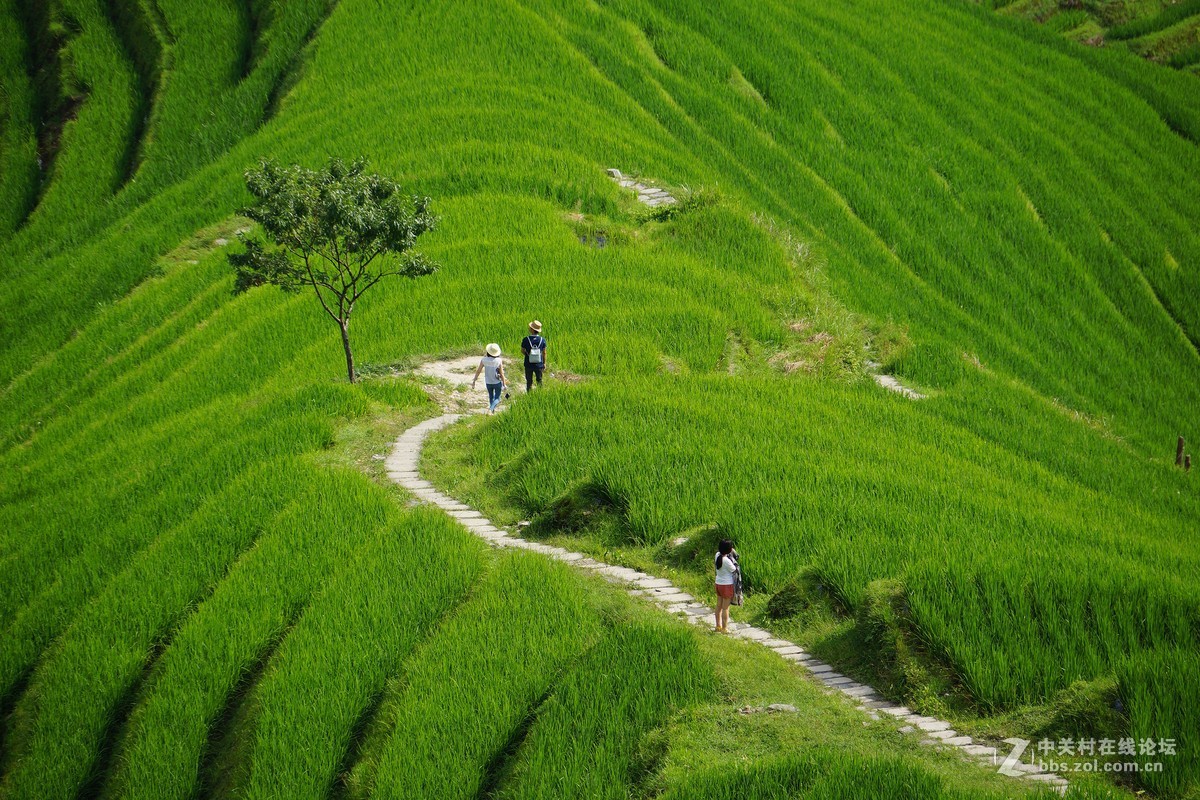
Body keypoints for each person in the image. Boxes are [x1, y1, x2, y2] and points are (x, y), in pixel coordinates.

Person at [471, 343, 508, 414]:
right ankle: (491, 409)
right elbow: (502, 373)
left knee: (491, 396)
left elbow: (478, 371)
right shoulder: (498, 360)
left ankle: (492, 412)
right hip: (497, 382)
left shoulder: (484, 360)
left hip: (488, 382)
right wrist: (504, 384)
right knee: (497, 398)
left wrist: (474, 380)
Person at [714, 538, 739, 633]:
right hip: (727, 585)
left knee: (718, 606)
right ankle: (724, 628)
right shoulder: (727, 561)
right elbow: (734, 570)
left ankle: (718, 626)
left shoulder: (717, 555)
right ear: (729, 550)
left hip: (718, 583)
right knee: (725, 608)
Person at [520, 320, 548, 392]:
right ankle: (540, 393)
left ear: (532, 329)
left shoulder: (526, 339)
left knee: (529, 381)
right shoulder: (542, 340)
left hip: (528, 364)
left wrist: (528, 355)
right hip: (539, 364)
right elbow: (544, 353)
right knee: (539, 380)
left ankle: (529, 394)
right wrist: (544, 363)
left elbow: (522, 350)